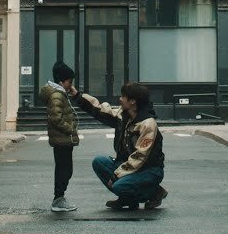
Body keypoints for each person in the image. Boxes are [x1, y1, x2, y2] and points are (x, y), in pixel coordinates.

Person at [70, 81, 168, 210]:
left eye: (123, 96)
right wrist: (77, 95)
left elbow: (139, 157)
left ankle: (155, 192)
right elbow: (99, 110)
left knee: (119, 185)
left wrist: (116, 175)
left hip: (149, 170)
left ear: (132, 101)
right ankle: (128, 199)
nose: (120, 99)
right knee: (99, 162)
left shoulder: (148, 124)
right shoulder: (124, 116)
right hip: (129, 165)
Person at [39, 61, 79, 212]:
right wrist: (69, 129)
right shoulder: (57, 96)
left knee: (66, 169)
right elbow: (56, 118)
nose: (71, 85)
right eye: (69, 82)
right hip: (62, 139)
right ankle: (58, 199)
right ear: (62, 82)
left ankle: (60, 198)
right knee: (64, 170)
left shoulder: (60, 94)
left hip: (63, 139)